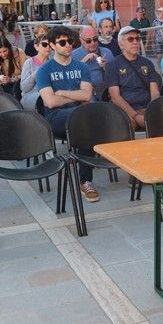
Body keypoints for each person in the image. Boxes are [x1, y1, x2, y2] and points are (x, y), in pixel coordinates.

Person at [36, 26, 97, 202]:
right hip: (55, 118)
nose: (68, 45)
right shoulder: (45, 70)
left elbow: (87, 95)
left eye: (70, 41)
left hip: (81, 117)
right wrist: (75, 96)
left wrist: (62, 92)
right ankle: (85, 180)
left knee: (88, 119)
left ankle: (85, 180)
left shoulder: (82, 67)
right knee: (85, 117)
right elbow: (50, 102)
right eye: (62, 42)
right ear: (52, 45)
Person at [105, 26, 160, 129]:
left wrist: (152, 111)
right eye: (130, 39)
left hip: (147, 108)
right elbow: (115, 97)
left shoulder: (147, 63)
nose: (135, 42)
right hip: (125, 111)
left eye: (137, 39)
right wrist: (136, 116)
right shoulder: (113, 65)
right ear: (121, 44)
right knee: (126, 125)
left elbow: (155, 92)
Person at [71, 25, 114, 94]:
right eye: (88, 41)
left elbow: (115, 77)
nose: (93, 43)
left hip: (104, 92)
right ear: (81, 40)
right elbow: (70, 79)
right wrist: (83, 61)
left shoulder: (106, 52)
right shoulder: (73, 55)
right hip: (84, 93)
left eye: (95, 39)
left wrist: (106, 67)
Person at [19, 31, 51, 110]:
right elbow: (24, 88)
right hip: (31, 97)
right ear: (36, 47)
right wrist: (35, 74)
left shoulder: (53, 62)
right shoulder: (29, 62)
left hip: (50, 96)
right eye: (44, 44)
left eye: (50, 45)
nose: (48, 47)